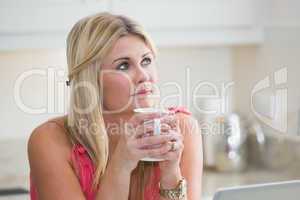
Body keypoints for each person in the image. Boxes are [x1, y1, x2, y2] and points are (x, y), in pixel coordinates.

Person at [27, 12, 203, 200]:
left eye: (146, 61)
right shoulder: (49, 141)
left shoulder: (183, 128)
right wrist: (122, 164)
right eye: (123, 66)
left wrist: (171, 174)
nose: (144, 76)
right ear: (92, 80)